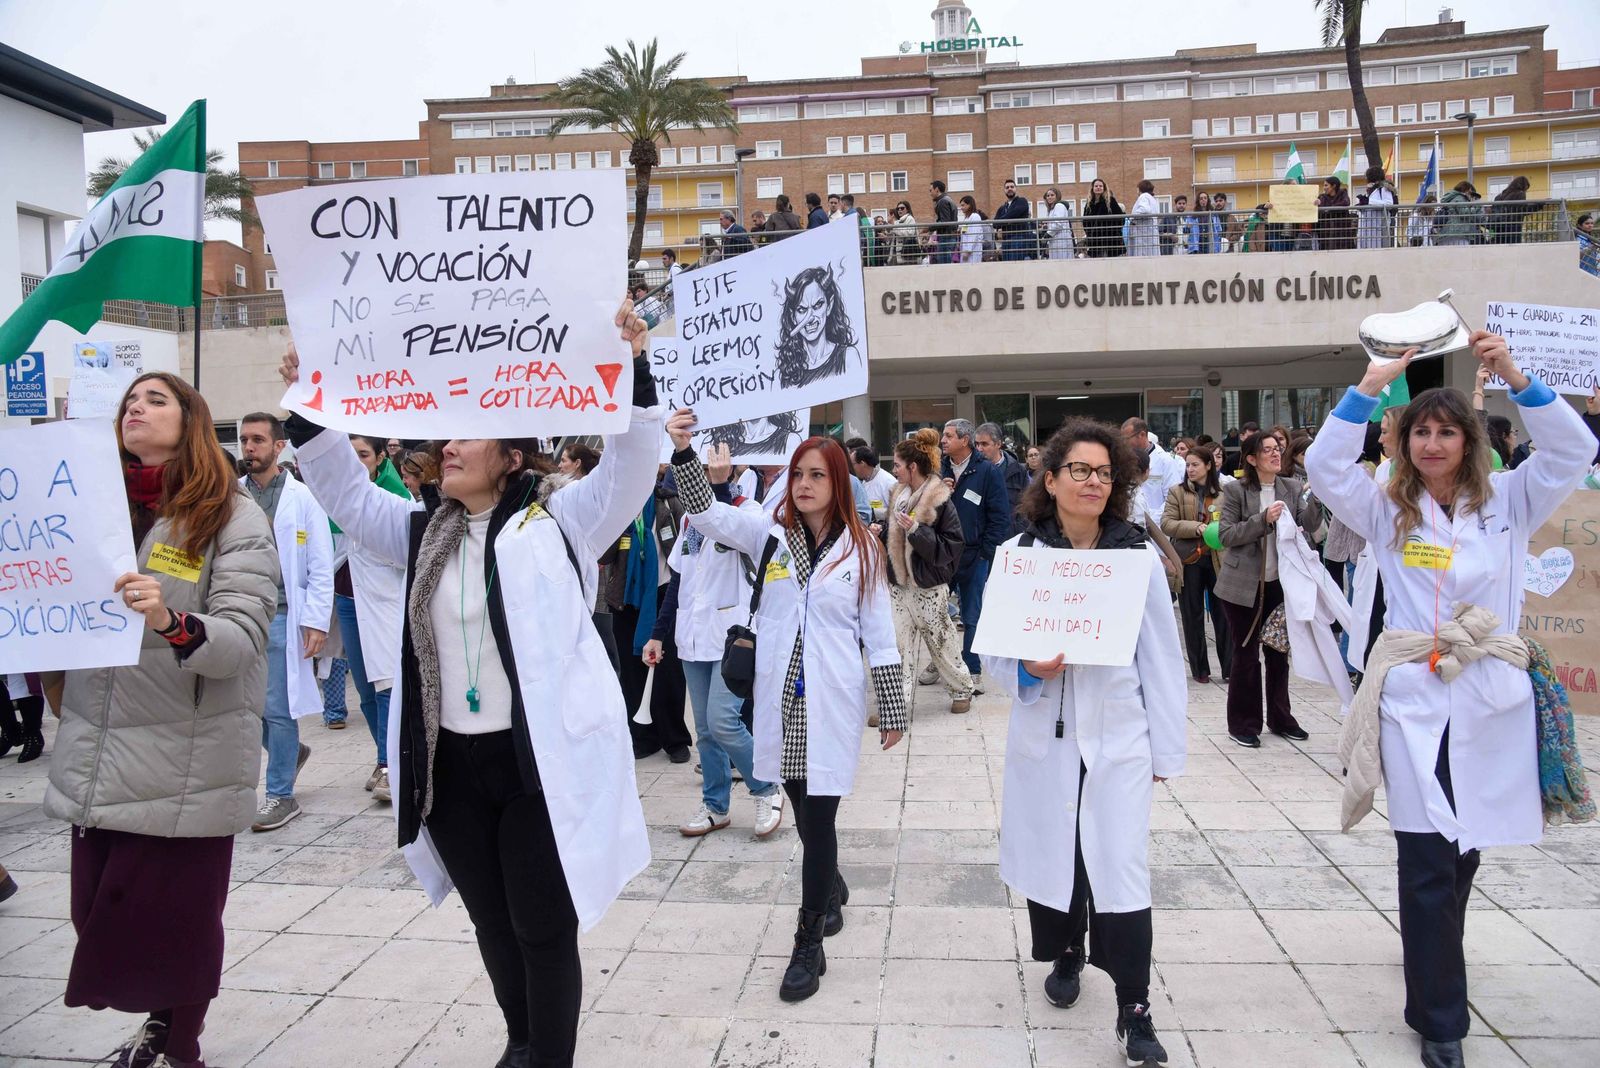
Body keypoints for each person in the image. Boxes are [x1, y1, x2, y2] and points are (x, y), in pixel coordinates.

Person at [278, 302, 661, 1068]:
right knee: (490, 921)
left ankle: (548, 1057)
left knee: (541, 928)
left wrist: (633, 367)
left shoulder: (560, 521)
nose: (446, 444)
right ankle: (520, 1041)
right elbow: (347, 498)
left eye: (466, 432)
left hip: (532, 770)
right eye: (444, 432)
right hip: (449, 769)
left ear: (512, 455)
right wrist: (307, 409)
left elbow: (633, 468)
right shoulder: (421, 530)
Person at [1307, 334, 1593, 1068]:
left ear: (1470, 442)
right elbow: (1323, 465)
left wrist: (1519, 379)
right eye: (1420, 432)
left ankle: (1430, 956)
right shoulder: (1384, 509)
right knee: (1427, 853)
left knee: (1465, 851)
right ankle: (1441, 1020)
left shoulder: (1510, 503)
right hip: (1414, 699)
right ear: (1403, 443)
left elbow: (1572, 452)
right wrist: (1369, 387)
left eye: (1447, 431)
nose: (1432, 443)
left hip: (1490, 695)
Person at [46, 372, 278, 1068]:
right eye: (129, 401)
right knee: (97, 918)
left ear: (192, 420)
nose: (135, 408)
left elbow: (240, 639)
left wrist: (170, 620)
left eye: (155, 399)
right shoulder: (89, 513)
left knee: (172, 927)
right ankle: (164, 1032)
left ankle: (175, 1043)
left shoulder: (231, 517)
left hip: (187, 758)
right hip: (99, 748)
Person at [667, 428, 907, 1002]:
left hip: (830, 699)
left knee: (817, 819)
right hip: (779, 697)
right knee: (800, 805)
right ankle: (833, 887)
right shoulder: (769, 536)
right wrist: (684, 455)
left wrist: (893, 706)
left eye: (817, 475)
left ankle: (808, 943)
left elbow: (880, 634)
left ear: (839, 484)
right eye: (798, 474)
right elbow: (709, 516)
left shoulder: (863, 549)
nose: (803, 485)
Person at [982, 419, 1184, 1068]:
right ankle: (1068, 949)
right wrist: (1025, 670)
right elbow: (990, 657)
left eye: (1105, 473)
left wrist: (1165, 750)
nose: (1093, 482)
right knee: (1060, 860)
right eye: (1080, 470)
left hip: (1119, 742)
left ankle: (1135, 1008)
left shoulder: (1137, 558)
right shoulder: (1021, 555)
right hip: (1047, 741)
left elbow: (1162, 659)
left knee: (1121, 869)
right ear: (1051, 479)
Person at [645, 444, 785, 839]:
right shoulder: (688, 521)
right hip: (691, 637)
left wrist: (720, 488)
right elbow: (678, 579)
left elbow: (724, 525)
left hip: (730, 636)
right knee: (705, 729)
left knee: (724, 721)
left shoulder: (749, 511)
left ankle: (767, 788)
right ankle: (715, 805)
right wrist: (658, 633)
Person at [237, 411, 332, 832]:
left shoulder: (302, 498)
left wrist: (316, 620)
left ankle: (280, 793)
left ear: (279, 447)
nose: (248, 448)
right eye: (243, 440)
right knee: (244, 707)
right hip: (237, 615)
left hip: (280, 614)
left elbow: (320, 563)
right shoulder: (230, 495)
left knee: (276, 708)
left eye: (257, 440)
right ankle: (289, 754)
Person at [1215, 432, 1320, 748]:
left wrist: (1317, 495)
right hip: (1242, 587)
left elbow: (1309, 524)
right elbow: (1227, 535)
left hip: (1280, 586)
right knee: (1246, 656)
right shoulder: (1235, 491)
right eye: (1268, 450)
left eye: (1279, 449)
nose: (1276, 455)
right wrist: (1263, 519)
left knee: (1278, 654)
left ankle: (1280, 718)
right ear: (1251, 458)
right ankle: (1244, 723)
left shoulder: (1290, 487)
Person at [331, 436, 411, 802]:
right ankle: (386, 757)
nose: (356, 462)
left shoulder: (397, 499)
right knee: (364, 687)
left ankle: (389, 764)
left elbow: (404, 554)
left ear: (381, 458)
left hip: (383, 604)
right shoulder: (335, 497)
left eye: (363, 455)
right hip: (347, 600)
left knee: (386, 685)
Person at [880, 431, 973, 716]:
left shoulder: (940, 500)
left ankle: (962, 689)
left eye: (897, 465)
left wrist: (916, 530)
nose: (893, 470)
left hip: (929, 585)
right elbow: (891, 536)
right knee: (896, 644)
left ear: (912, 467)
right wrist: (880, 531)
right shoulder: (898, 495)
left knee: (941, 640)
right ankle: (896, 703)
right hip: (898, 584)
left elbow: (952, 546)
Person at [605, 466, 692, 762]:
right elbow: (602, 554)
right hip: (626, 599)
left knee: (668, 671)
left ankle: (675, 739)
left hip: (663, 595)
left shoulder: (669, 503)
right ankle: (643, 736)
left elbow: (687, 548)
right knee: (631, 670)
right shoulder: (617, 508)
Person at [940, 419, 1011, 687]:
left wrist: (985, 552)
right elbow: (927, 512)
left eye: (948, 436)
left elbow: (1000, 516)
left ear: (964, 440)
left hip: (974, 555)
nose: (943, 441)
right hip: (943, 555)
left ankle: (972, 668)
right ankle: (943, 663)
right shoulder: (940, 469)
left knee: (972, 615)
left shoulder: (987, 472)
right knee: (936, 612)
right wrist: (940, 494)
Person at [1162, 445, 1232, 683]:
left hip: (1218, 559)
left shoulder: (1226, 491)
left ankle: (1229, 669)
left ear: (1208, 465)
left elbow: (1235, 522)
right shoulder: (1177, 492)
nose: (1190, 469)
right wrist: (1195, 527)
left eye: (1195, 464)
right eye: (1188, 465)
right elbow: (1167, 524)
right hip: (1189, 560)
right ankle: (1200, 670)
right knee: (1191, 616)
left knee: (1223, 615)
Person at [775, 266, 862, 389]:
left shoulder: (848, 358)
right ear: (793, 316)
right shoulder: (785, 372)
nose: (810, 318)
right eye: (802, 310)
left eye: (817, 306)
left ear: (829, 306)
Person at [1121, 417, 1184, 525]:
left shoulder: (1165, 461)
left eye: (1127, 438)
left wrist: (1149, 518)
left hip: (1158, 525)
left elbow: (1173, 499)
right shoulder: (1124, 460)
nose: (1124, 443)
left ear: (1142, 435)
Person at [974, 421, 1029, 530]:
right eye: (977, 444)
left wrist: (1017, 532)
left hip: (1010, 540)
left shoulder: (1018, 471)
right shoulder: (971, 471)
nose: (979, 449)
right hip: (981, 540)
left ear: (998, 444)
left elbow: (1027, 507)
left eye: (984, 444)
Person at [851, 445, 898, 524]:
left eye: (853, 464)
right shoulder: (863, 481)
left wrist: (872, 511)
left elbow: (896, 512)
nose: (851, 468)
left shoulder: (888, 482)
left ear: (862, 463)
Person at [1357, 166, 1398, 249]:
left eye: (1367, 176)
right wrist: (1361, 206)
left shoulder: (1384, 188)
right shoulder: (1370, 190)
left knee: (1378, 252)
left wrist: (1368, 202)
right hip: (1367, 229)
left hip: (1379, 228)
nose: (1366, 179)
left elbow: (1389, 204)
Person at [1083, 179, 1125, 258]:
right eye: (1096, 186)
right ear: (1092, 188)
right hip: (1095, 239)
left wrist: (1113, 230)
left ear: (1104, 188)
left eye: (1100, 186)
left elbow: (1120, 218)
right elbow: (1085, 221)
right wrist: (1089, 233)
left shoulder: (1111, 201)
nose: (1098, 188)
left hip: (1110, 239)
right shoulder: (1089, 203)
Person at [1488, 176, 1535, 245]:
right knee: (1513, 252)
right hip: (1513, 229)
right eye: (1526, 189)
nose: (1525, 191)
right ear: (1523, 186)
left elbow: (1492, 213)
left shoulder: (1499, 196)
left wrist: (1491, 235)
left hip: (1498, 229)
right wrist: (1539, 204)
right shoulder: (1520, 194)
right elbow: (1523, 210)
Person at [1433, 181, 1483, 247]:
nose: (1472, 198)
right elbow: (1464, 213)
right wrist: (1476, 206)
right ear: (1468, 190)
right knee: (1462, 255)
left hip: (1451, 234)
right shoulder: (1460, 198)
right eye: (1472, 194)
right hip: (1457, 234)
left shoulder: (1455, 198)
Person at [994, 178, 1032, 261]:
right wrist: (1008, 220)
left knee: (1016, 264)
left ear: (1016, 189)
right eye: (1007, 187)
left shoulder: (1022, 201)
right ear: (1004, 190)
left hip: (1019, 238)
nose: (1009, 189)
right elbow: (995, 223)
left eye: (1012, 186)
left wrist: (1003, 221)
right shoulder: (1002, 208)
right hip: (1006, 240)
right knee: (1007, 265)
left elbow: (1014, 213)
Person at [1316, 176, 1355, 250]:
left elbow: (1346, 202)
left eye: (1326, 185)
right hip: (1326, 233)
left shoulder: (1343, 193)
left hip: (1342, 232)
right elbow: (1321, 209)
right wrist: (1317, 204)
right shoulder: (1322, 197)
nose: (1324, 188)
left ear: (1333, 186)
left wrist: (1329, 209)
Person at [1126, 180, 1160, 257]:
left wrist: (1132, 217)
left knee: (1142, 257)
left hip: (1142, 234)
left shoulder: (1143, 196)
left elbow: (1145, 210)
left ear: (1140, 188)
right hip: (1149, 233)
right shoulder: (1152, 199)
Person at [929, 179, 958, 264]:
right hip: (950, 236)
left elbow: (945, 221)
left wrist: (929, 228)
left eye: (931, 190)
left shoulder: (943, 201)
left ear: (937, 189)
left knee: (944, 266)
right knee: (946, 265)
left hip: (946, 238)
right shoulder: (948, 199)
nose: (930, 193)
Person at [1041, 187, 1074, 260]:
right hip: (1055, 240)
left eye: (1052, 195)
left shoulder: (1059, 206)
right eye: (1048, 195)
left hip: (1061, 240)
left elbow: (1058, 224)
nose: (1049, 197)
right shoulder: (1051, 209)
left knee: (1062, 263)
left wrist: (1047, 235)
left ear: (1057, 196)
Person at [958, 196, 990, 264]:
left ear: (969, 205)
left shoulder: (975, 216)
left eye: (963, 205)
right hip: (965, 250)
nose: (961, 208)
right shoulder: (966, 218)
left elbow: (974, 235)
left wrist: (968, 251)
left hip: (972, 251)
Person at [890, 201, 920, 265]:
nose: (899, 210)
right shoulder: (899, 221)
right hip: (900, 252)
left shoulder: (910, 219)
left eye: (902, 208)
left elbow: (909, 233)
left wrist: (894, 228)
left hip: (908, 252)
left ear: (907, 209)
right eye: (898, 209)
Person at [1576, 212, 1598, 276]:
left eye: (1592, 223)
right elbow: (1577, 256)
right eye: (1587, 223)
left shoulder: (1588, 238)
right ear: (1579, 225)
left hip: (1592, 270)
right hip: (1584, 271)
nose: (1590, 225)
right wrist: (1590, 247)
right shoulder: (1578, 239)